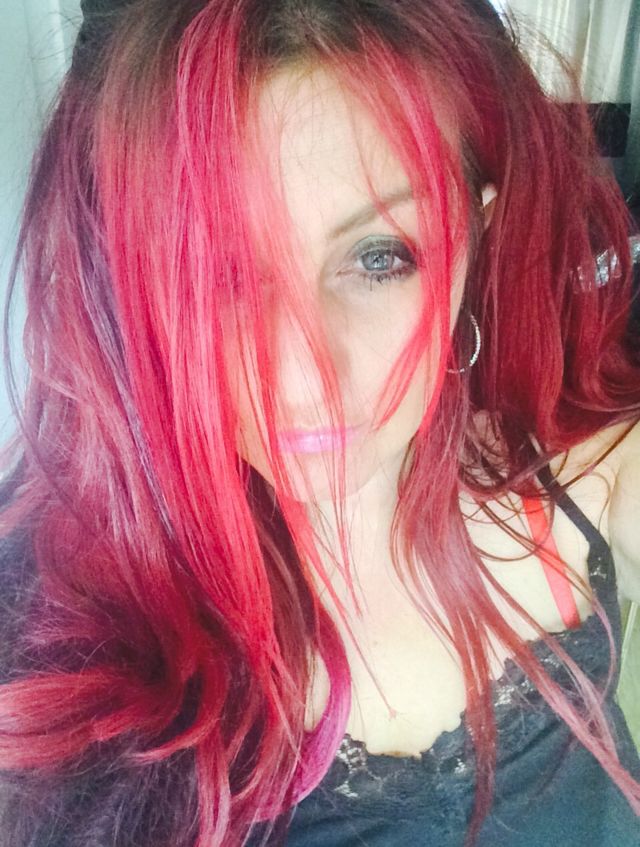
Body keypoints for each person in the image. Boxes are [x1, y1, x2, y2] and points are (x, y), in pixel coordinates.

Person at [0, 0, 639, 845]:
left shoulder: (591, 477)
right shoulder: (51, 620)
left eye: (380, 256)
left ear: (473, 237)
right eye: (215, 275)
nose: (306, 381)